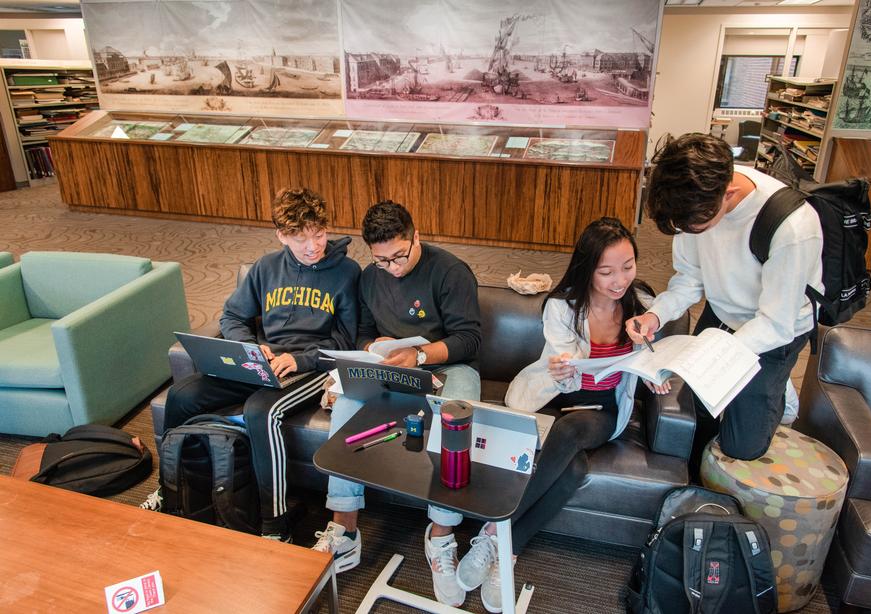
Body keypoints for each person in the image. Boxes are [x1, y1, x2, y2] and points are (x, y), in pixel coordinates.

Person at [442, 217, 665, 612]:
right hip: (556, 395)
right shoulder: (562, 306)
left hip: (602, 408)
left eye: (628, 266)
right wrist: (563, 371)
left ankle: (496, 529)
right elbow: (564, 362)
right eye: (607, 271)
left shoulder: (643, 306)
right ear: (587, 268)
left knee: (572, 431)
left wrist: (655, 375)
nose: (620, 280)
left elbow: (653, 358)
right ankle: (510, 549)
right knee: (574, 468)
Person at [141, 188, 361, 542]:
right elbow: (232, 316)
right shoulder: (265, 268)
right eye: (300, 238)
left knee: (262, 411)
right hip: (261, 361)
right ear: (282, 236)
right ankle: (170, 492)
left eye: (319, 234)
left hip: (309, 365)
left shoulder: (347, 272)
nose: (313, 246)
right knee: (182, 395)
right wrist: (249, 348)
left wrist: (299, 358)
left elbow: (346, 342)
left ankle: (276, 524)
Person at [311, 200, 482, 607]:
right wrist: (371, 348)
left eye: (400, 256)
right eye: (382, 259)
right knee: (348, 410)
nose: (393, 267)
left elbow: (470, 339)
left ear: (416, 236)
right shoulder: (371, 278)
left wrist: (420, 356)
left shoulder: (450, 272)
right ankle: (345, 527)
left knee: (457, 416)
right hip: (393, 370)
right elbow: (363, 333)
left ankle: (441, 535)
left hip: (449, 368)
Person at [626, 133, 822, 474]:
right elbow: (690, 279)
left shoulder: (793, 226)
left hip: (777, 329)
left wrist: (717, 354)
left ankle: (778, 389)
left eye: (696, 226)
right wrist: (655, 315)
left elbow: (776, 323)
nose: (689, 231)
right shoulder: (692, 201)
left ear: (727, 194)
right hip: (721, 312)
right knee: (700, 414)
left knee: (741, 446)